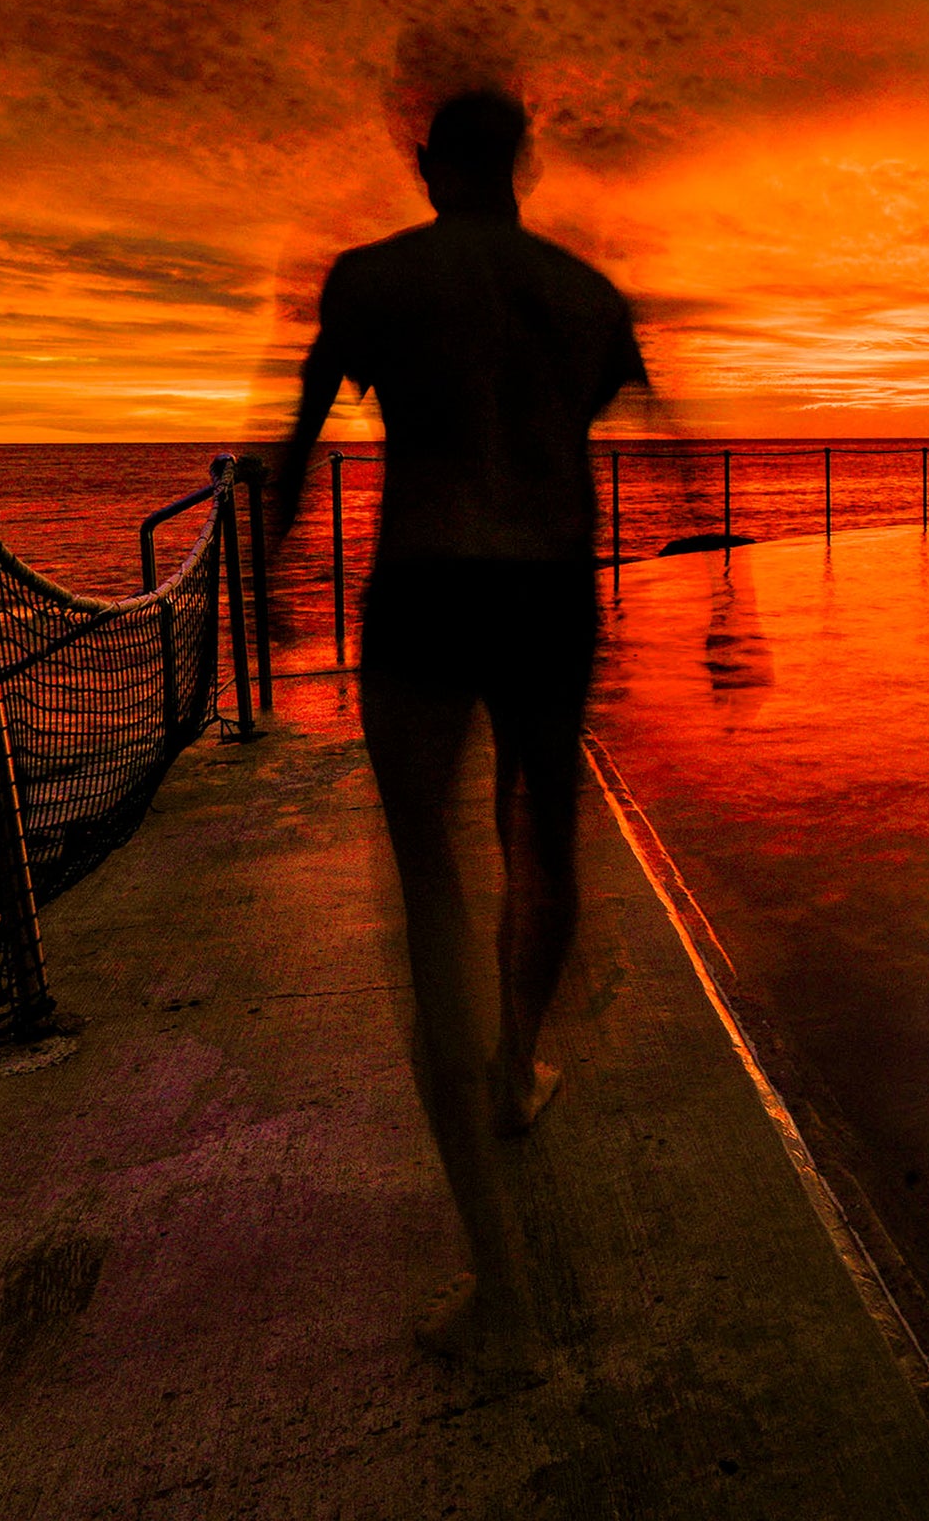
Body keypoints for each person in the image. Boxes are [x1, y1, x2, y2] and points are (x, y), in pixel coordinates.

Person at [274, 86, 648, 1366]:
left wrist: (265, 579)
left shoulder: (374, 278)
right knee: (544, 843)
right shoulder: (585, 295)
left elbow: (296, 444)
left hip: (426, 583)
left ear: (428, 162)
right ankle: (516, 1066)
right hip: (549, 588)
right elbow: (607, 432)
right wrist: (729, 606)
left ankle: (502, 1291)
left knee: (429, 887)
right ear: (522, 165)